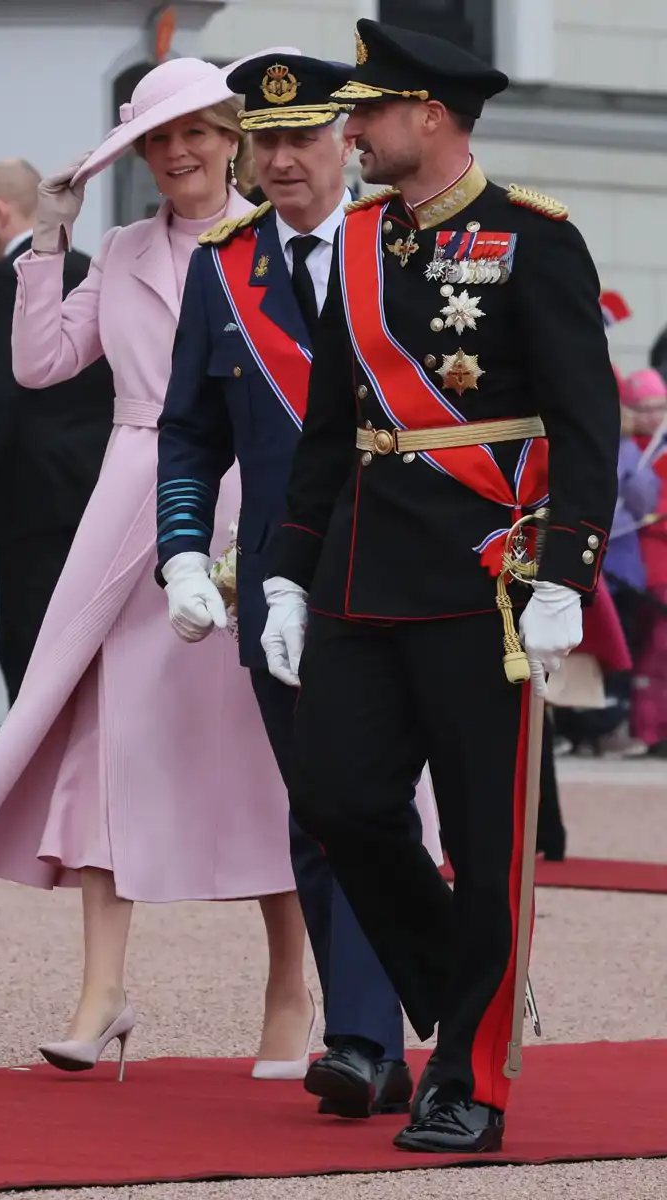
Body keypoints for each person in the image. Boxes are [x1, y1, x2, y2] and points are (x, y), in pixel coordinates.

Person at [261, 22, 620, 1152]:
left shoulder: (533, 241)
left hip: (488, 580)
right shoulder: (359, 245)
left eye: (365, 113)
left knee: (481, 831)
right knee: (333, 799)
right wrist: (282, 574)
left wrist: (565, 570)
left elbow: (584, 423)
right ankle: (467, 994)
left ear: (432, 115)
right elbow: (326, 428)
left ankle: (470, 1077)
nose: (347, 131)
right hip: (362, 574)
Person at [0, 54, 318, 1079]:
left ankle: (292, 985)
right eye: (157, 139)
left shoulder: (280, 245)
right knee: (112, 745)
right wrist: (45, 242)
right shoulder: (121, 247)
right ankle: (102, 994)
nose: (176, 153)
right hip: (131, 502)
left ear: (233, 137)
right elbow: (40, 363)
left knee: (264, 745)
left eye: (193, 132)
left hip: (249, 497)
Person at [156, 52, 443, 1119]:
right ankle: (370, 1038)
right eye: (262, 138)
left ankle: (424, 1017)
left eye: (302, 136)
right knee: (324, 812)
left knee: (383, 807)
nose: (280, 158)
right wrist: (184, 551)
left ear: (346, 142)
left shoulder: (408, 251)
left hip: (416, 576)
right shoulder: (224, 268)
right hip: (285, 583)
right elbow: (189, 433)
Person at [0, 158, 115, 706]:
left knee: (27, 642)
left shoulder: (3, 281)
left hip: (30, 501)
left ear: (0, 210)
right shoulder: (94, 271)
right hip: (99, 494)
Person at [622, 369, 667, 756]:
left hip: (650, 562)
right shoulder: (624, 449)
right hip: (643, 566)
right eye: (644, 408)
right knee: (653, 651)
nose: (653, 416)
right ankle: (648, 729)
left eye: (659, 407)